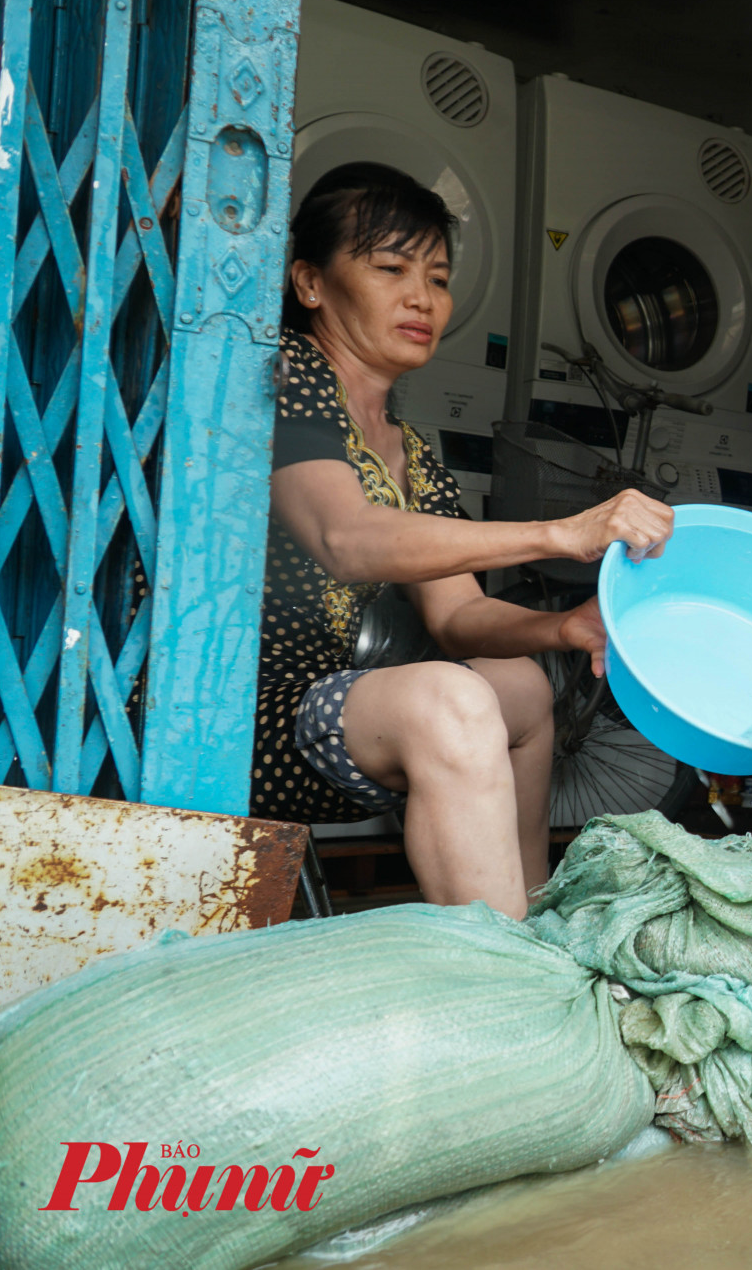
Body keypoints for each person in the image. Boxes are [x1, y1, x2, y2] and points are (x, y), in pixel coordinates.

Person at [254, 162, 672, 918]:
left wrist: (561, 628)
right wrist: (559, 532)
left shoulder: (412, 447)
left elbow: (455, 617)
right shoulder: (288, 375)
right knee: (451, 697)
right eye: (391, 268)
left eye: (438, 278)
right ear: (310, 283)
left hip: (343, 710)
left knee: (521, 684)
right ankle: (499, 973)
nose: (423, 298)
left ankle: (531, 919)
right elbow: (345, 537)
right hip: (245, 713)